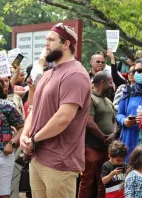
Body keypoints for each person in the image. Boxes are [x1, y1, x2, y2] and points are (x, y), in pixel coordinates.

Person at [20, 23, 91, 198]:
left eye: (51, 40)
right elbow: (34, 109)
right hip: (37, 157)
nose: (46, 44)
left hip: (60, 162)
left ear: (66, 44)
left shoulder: (75, 74)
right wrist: (24, 135)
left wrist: (34, 139)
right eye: (46, 40)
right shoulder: (47, 74)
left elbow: (63, 118)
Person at [79, 71, 115, 198]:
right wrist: (104, 137)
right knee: (88, 180)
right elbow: (89, 122)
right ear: (102, 83)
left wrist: (113, 134)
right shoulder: (90, 98)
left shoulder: (107, 100)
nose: (112, 85)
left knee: (103, 180)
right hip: (91, 147)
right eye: (110, 82)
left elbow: (114, 120)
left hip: (106, 147)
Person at [116, 58, 142, 161]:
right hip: (129, 137)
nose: (135, 74)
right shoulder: (129, 91)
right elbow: (119, 114)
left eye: (139, 71)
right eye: (134, 71)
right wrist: (124, 121)